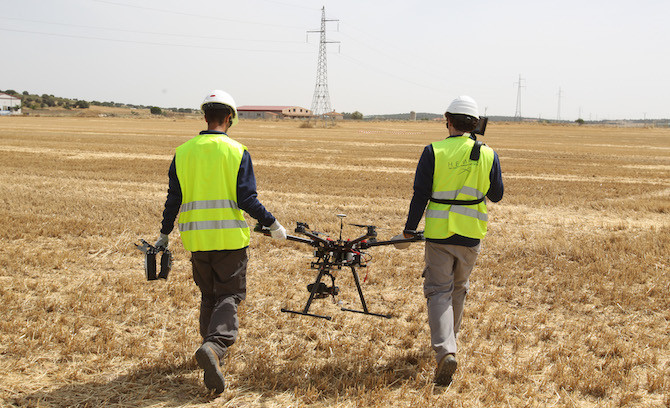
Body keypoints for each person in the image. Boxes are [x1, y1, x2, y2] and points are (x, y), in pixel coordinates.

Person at [155, 89, 287, 394]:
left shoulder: (183, 151)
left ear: (205, 116)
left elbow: (173, 199)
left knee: (208, 295)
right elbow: (247, 198)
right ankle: (215, 347)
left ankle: (209, 352)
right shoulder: (237, 151)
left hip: (196, 238)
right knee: (229, 295)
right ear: (230, 118)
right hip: (229, 238)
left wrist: (163, 234)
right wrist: (272, 223)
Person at [400, 95, 503, 386]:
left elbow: (420, 193)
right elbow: (496, 195)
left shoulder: (433, 151)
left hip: (440, 233)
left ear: (448, 120)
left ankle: (446, 351)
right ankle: (450, 342)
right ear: (475, 123)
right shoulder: (488, 154)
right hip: (471, 234)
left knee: (438, 291)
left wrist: (410, 228)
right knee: (459, 288)